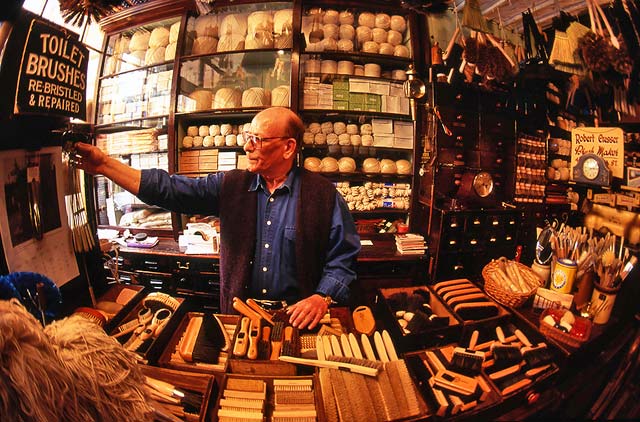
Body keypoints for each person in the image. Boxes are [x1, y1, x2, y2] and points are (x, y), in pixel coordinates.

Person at [75, 107, 361, 329]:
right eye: (248, 138)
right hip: (240, 316)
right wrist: (104, 165)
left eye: (257, 140)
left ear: (288, 147)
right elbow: (171, 190)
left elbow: (343, 257)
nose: (247, 147)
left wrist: (321, 297)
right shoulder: (231, 186)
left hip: (297, 320)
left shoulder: (322, 195)